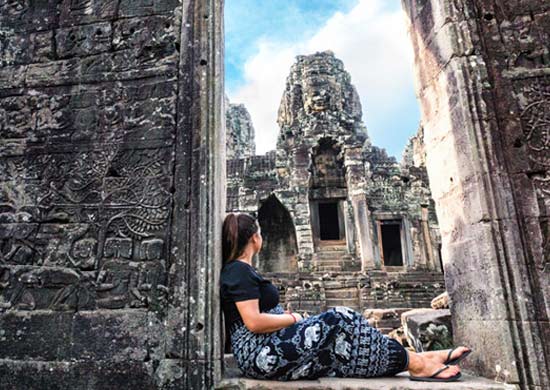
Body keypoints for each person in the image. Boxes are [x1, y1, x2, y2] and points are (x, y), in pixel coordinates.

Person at [219, 212, 470, 382]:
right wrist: (294, 318)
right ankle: (418, 364)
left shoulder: (242, 270)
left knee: (340, 350)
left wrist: (286, 318)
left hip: (269, 348)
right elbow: (253, 322)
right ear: (255, 237)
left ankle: (418, 359)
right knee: (340, 318)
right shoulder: (238, 270)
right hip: (261, 355)